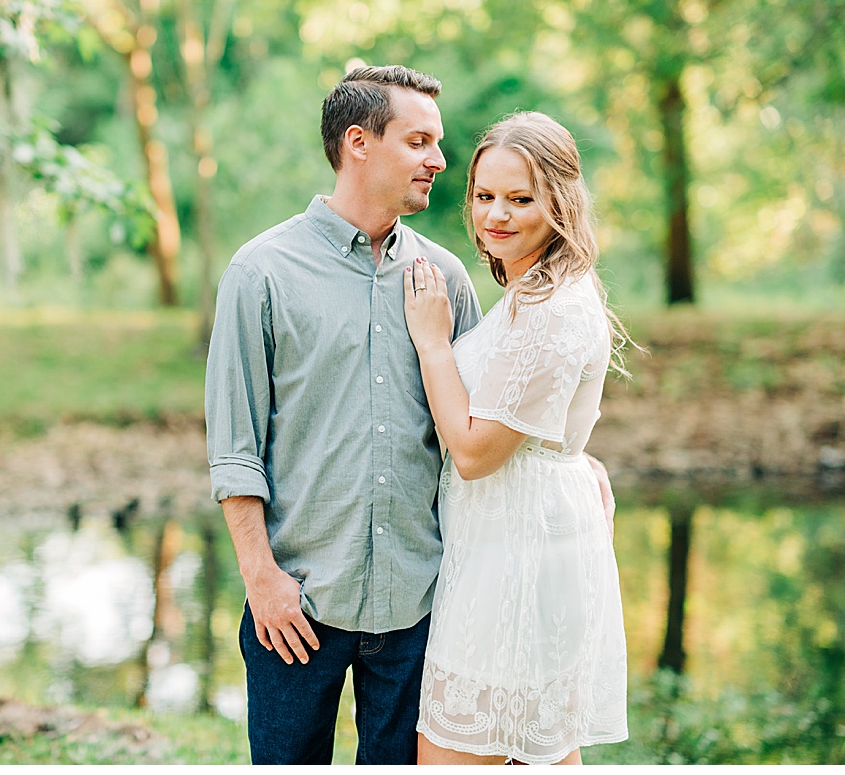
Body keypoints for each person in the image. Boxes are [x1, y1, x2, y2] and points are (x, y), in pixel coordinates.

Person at [205, 64, 481, 764]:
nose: (439, 161)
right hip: (295, 609)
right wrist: (261, 579)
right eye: (419, 142)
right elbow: (236, 447)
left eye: (437, 143)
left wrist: (574, 465)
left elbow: (479, 434)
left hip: (420, 606)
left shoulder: (446, 278)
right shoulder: (260, 272)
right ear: (358, 143)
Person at [403, 111, 629, 765]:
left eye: (520, 199)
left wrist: (432, 343)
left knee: (457, 750)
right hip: (511, 536)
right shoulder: (536, 287)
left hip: (517, 551)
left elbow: (473, 453)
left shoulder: (551, 310)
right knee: (533, 750)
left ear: (559, 199)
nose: (495, 215)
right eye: (484, 196)